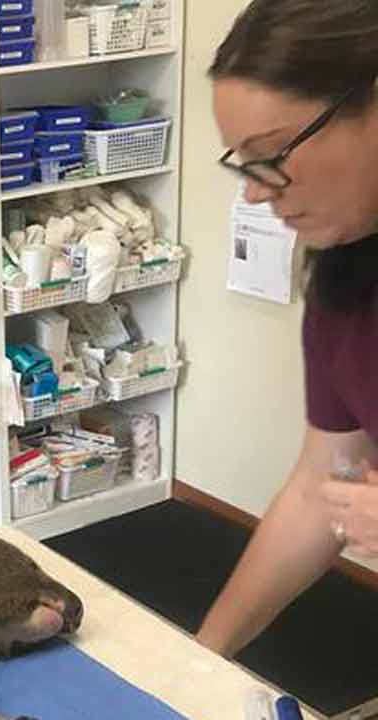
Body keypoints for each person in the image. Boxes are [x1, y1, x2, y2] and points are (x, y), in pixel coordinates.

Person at [199, 0, 378, 658]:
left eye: (273, 153)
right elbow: (319, 488)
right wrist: (196, 664)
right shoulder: (348, 279)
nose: (255, 192)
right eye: (244, 163)